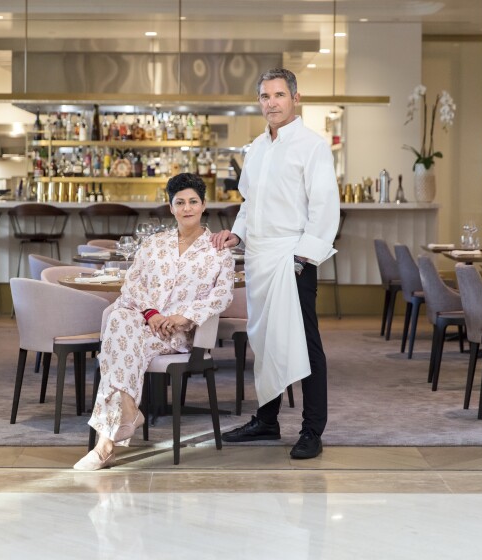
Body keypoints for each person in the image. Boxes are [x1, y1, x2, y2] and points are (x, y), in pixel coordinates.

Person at [211, 68, 340, 460]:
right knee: (264, 341)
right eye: (265, 96)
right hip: (259, 258)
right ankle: (266, 420)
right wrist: (237, 233)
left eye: (279, 95)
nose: (272, 103)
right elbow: (250, 204)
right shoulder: (257, 148)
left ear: (295, 98)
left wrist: (305, 256)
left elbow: (324, 206)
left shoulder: (312, 146)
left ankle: (312, 429)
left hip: (293, 258)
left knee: (305, 344)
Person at [74, 173, 235, 471]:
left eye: (193, 202)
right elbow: (132, 285)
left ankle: (106, 445)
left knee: (115, 341)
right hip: (144, 324)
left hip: (180, 334)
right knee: (121, 319)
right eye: (180, 202)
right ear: (170, 207)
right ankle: (125, 411)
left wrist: (182, 316)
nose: (187, 208)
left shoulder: (218, 251)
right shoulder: (153, 244)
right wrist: (152, 314)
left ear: (203, 205)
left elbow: (222, 296)